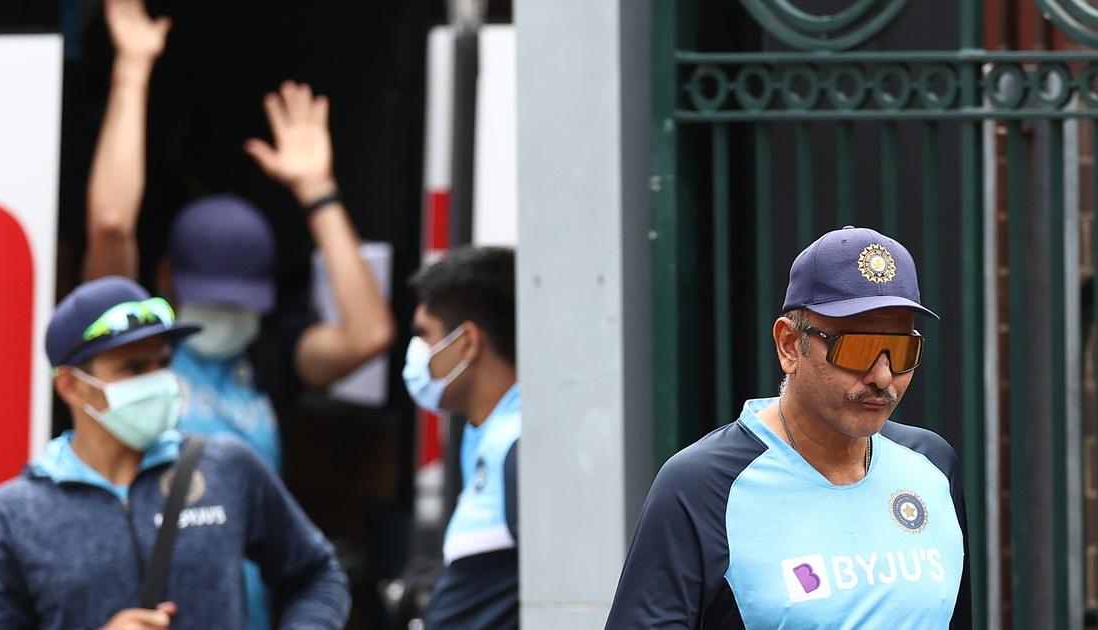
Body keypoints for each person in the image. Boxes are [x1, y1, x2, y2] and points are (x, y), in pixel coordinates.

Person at [84, 2, 393, 626]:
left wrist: (318, 191)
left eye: (236, 302)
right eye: (210, 297)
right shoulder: (131, 347)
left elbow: (369, 333)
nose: (223, 316)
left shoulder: (267, 355)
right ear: (166, 279)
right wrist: (132, 72)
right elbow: (112, 224)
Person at [605, 226, 971, 628]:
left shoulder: (932, 465)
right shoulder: (701, 486)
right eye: (857, 348)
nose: (883, 376)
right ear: (789, 345)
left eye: (902, 349)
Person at [0, 276, 351, 630]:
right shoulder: (13, 516)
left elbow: (318, 574)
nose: (158, 380)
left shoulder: (227, 467)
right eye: (133, 367)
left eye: (163, 362)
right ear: (72, 387)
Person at [402, 247, 519, 629]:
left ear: (467, 342)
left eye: (425, 335)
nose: (416, 354)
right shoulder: (488, 436)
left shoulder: (519, 447)